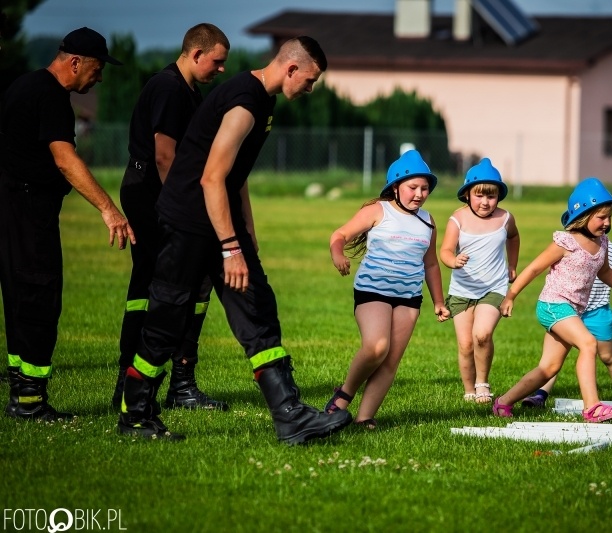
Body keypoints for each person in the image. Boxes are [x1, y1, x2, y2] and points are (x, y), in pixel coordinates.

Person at [118, 36, 352, 443]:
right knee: (167, 321)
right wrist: (231, 247)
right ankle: (134, 415)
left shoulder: (263, 100)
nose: (311, 89)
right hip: (189, 222)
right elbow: (212, 178)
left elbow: (235, 174)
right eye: (310, 80)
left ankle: (290, 416)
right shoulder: (245, 101)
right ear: (291, 68)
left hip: (219, 221)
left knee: (257, 308)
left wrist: (247, 232)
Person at [0, 27, 133, 420]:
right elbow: (65, 160)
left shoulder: (22, 86)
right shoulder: (52, 96)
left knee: (19, 300)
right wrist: (108, 208)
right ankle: (30, 401)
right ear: (75, 62)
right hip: (28, 212)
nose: (100, 77)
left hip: (8, 208)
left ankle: (20, 394)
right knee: (39, 300)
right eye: (97, 68)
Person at [112, 23, 230, 412]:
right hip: (153, 194)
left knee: (186, 284)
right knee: (160, 286)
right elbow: (165, 156)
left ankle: (177, 383)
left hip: (160, 194)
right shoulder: (168, 88)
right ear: (196, 54)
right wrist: (182, 210)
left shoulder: (189, 91)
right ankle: (135, 384)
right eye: (217, 61)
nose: (221, 69)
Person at [493, 178, 612, 422]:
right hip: (553, 306)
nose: (607, 223)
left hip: (571, 310)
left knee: (549, 368)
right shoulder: (565, 242)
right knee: (588, 343)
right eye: (601, 217)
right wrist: (511, 296)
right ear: (583, 215)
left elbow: (605, 273)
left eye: (610, 217)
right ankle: (592, 407)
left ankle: (503, 402)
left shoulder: (602, 243)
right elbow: (533, 269)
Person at [325, 149, 450, 428]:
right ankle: (343, 396)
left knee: (391, 360)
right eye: (412, 187)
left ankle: (365, 417)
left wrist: (438, 302)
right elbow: (340, 234)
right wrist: (337, 254)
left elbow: (431, 264)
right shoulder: (378, 211)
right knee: (377, 347)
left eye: (424, 188)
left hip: (409, 298)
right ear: (395, 187)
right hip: (373, 292)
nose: (419, 194)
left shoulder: (428, 221)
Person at [439, 158, 519, 403]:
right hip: (461, 290)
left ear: (498, 196)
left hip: (494, 288)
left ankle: (482, 383)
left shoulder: (505, 219)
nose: (485, 202)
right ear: (467, 195)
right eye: (479, 195)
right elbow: (445, 251)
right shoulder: (457, 219)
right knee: (465, 344)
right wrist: (453, 261)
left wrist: (512, 265)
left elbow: (513, 237)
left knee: (482, 335)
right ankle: (469, 390)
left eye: (491, 196)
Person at [521, 240, 612, 407]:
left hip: (596, 311)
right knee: (555, 358)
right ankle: (540, 394)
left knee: (607, 356)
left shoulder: (607, 247)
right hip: (566, 310)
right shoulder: (568, 245)